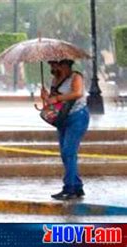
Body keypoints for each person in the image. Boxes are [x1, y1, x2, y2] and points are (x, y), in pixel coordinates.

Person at [41, 59, 90, 200]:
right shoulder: (55, 80)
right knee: (65, 153)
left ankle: (69, 188)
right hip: (62, 118)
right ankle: (77, 186)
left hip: (77, 117)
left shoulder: (76, 77)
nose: (52, 67)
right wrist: (46, 97)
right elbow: (53, 100)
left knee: (69, 152)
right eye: (50, 65)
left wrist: (56, 98)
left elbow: (77, 93)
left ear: (65, 65)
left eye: (54, 65)